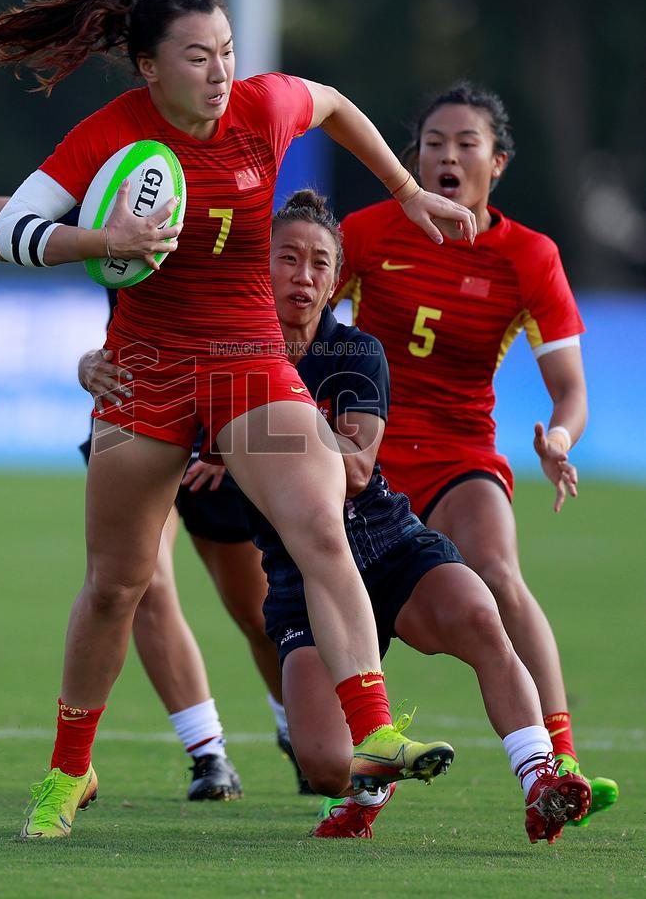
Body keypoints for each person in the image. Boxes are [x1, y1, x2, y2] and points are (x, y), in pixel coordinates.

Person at [0, 0, 477, 838]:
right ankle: (68, 771)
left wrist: (406, 190)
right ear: (147, 67)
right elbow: (9, 229)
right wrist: (101, 239)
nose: (221, 71)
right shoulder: (111, 134)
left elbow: (336, 102)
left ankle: (374, 726)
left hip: (247, 360)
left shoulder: (264, 109)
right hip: (146, 371)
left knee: (321, 529)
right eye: (197, 57)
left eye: (227, 52)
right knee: (118, 586)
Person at [0, 138, 299, 797]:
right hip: (136, 408)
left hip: (224, 416)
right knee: (136, 584)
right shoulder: (124, 188)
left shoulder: (231, 208)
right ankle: (209, 755)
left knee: (256, 612)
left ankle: (299, 729)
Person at [241, 189, 590, 843]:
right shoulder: (227, 359)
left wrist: (250, 432)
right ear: (260, 270)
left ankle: (541, 774)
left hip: (385, 544)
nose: (305, 276)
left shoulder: (355, 353)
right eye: (287, 259)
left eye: (320, 263)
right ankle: (369, 783)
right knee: (321, 763)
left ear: (335, 277)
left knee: (484, 613)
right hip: (301, 578)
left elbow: (356, 470)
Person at [334, 81, 618, 824]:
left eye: (467, 144)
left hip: (462, 451)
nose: (449, 156)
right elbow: (294, 318)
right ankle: (361, 756)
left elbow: (571, 390)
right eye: (434, 144)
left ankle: (560, 760)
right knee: (338, 606)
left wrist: (558, 439)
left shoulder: (528, 255)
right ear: (415, 160)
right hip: (370, 455)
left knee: (495, 573)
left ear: (498, 162)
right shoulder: (366, 233)